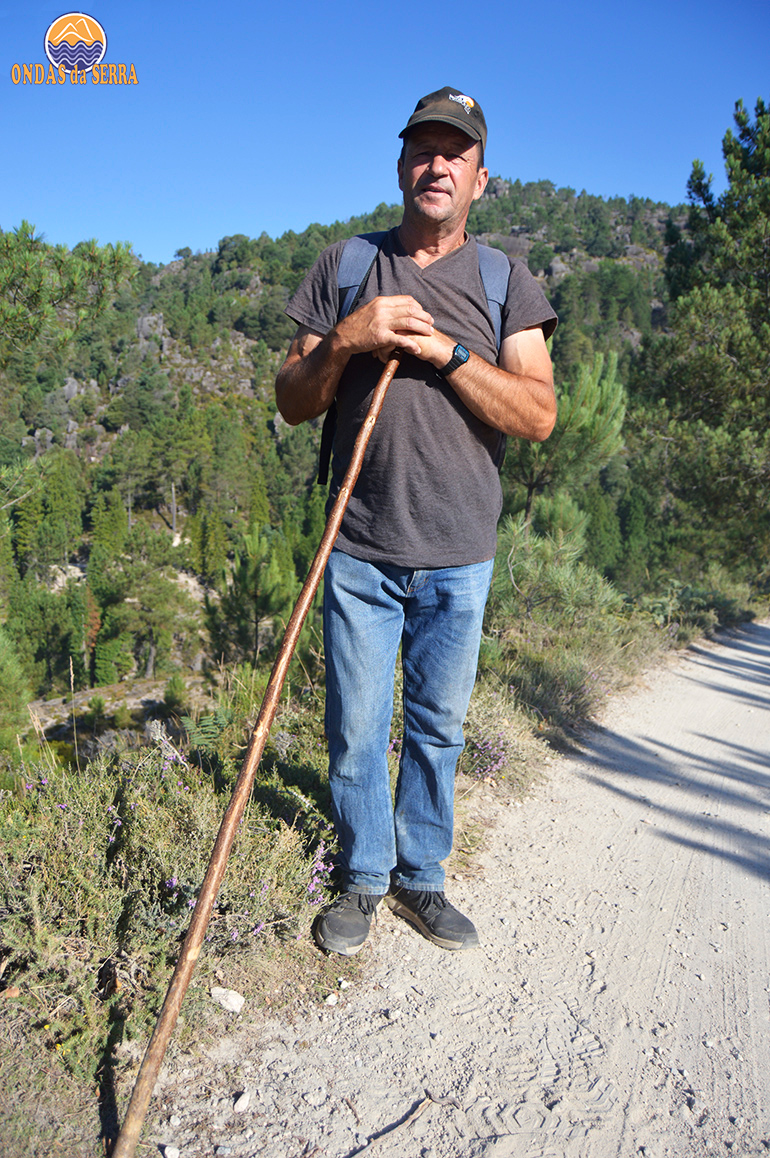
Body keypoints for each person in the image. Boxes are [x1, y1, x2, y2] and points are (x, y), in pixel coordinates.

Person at [275, 86, 557, 956]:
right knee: (356, 724)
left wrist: (450, 354)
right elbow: (290, 399)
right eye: (423, 150)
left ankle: (422, 877)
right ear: (402, 167)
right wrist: (348, 338)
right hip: (358, 545)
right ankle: (364, 875)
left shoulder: (507, 283)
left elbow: (539, 413)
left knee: (438, 726)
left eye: (456, 154)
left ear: (481, 180)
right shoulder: (347, 266)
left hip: (459, 552)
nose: (437, 165)